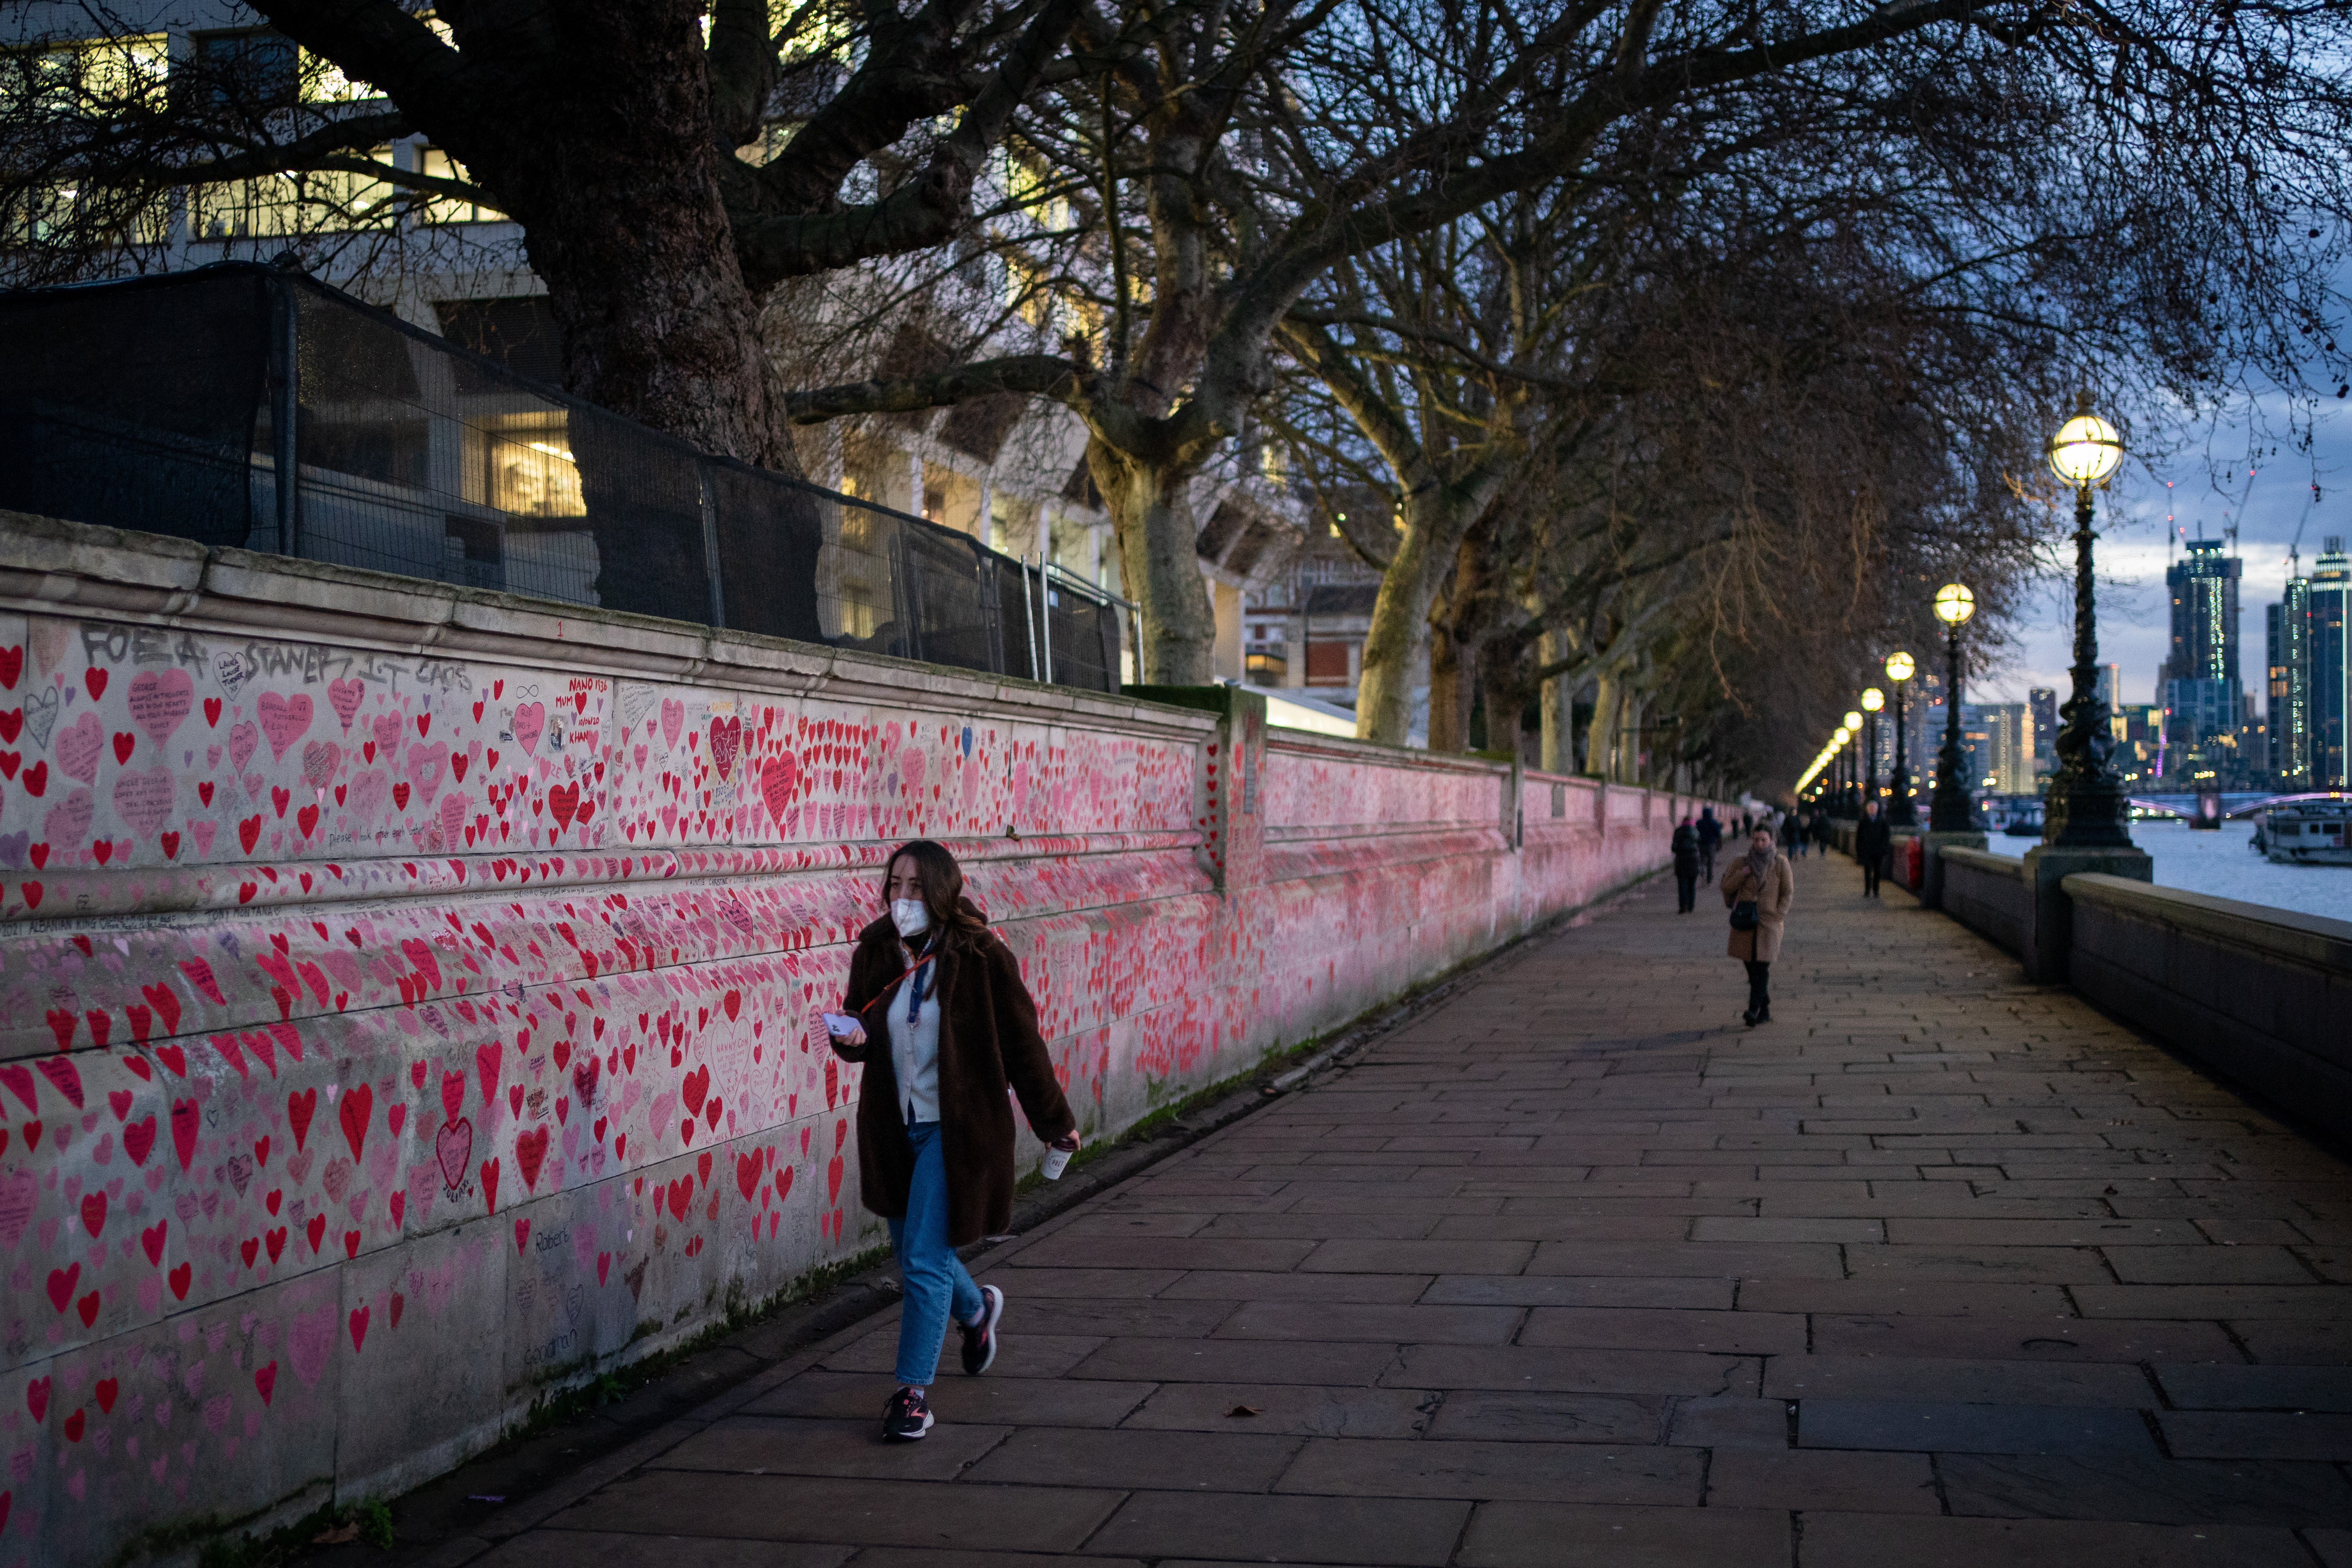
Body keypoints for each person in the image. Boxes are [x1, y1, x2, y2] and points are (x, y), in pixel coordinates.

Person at [827, 841, 1081, 1442]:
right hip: (892, 1129)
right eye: (894, 884)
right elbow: (857, 1019)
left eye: (915, 886)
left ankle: (910, 1395)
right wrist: (850, 1038)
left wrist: (1054, 1122)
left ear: (943, 890)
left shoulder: (982, 955)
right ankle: (975, 1312)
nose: (902, 898)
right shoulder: (875, 950)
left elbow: (1023, 1046)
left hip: (958, 1131)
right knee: (920, 1251)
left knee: (919, 1256)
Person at [1721, 822, 1794, 1026]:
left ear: (1772, 841)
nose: (1760, 844)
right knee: (1751, 967)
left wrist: (1779, 915)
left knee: (1762, 968)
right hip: (1745, 922)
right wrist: (1743, 874)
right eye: (1756, 840)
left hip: (1768, 924)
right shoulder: (1741, 862)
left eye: (1764, 840)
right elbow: (1726, 886)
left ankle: (1753, 1009)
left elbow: (1787, 893)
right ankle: (1766, 1007)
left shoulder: (1780, 863)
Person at [1855, 798, 1891, 897]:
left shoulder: (1883, 822)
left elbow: (1886, 836)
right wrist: (1859, 850)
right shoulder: (1863, 822)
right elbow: (1859, 838)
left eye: (1874, 808)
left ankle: (1876, 890)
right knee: (1867, 871)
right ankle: (1867, 890)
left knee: (1877, 871)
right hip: (1867, 850)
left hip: (1878, 851)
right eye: (1870, 808)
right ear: (1867, 810)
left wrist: (1884, 848)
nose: (1872, 810)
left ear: (1877, 809)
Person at [1671, 815, 1701, 913]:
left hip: (1681, 861)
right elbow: (1700, 845)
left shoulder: (1678, 831)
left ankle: (1683, 907)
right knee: (1692, 885)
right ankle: (1691, 907)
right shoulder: (1696, 831)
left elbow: (1674, 848)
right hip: (1694, 861)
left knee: (1682, 884)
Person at [1695, 808, 1722, 881]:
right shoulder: (1715, 823)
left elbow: (1696, 832)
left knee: (1702, 860)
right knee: (1711, 861)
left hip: (1702, 845)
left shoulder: (1699, 823)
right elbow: (1718, 834)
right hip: (1711, 845)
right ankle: (1709, 878)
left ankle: (1702, 872)